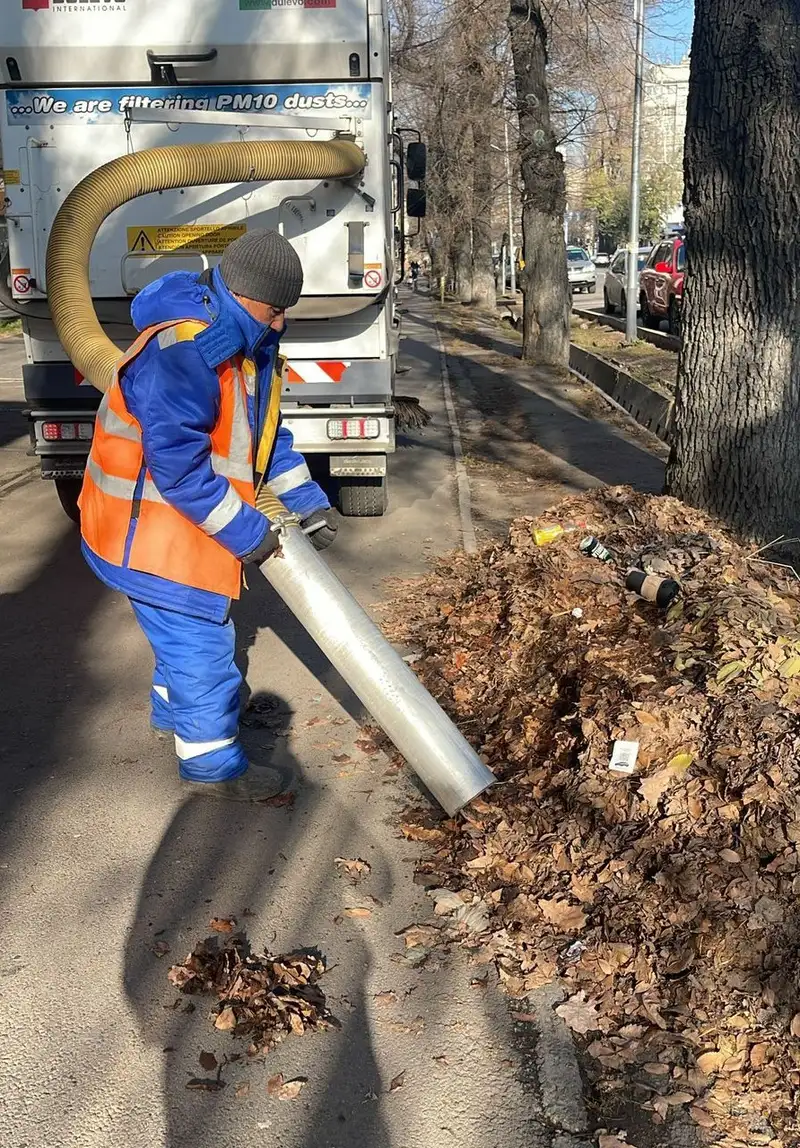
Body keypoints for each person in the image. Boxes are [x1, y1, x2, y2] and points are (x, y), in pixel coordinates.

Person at [79, 229, 337, 802]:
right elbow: (180, 472)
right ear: (243, 295)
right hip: (148, 536)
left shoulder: (236, 340)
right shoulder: (186, 352)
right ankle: (215, 771)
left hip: (163, 530)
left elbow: (262, 436)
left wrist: (307, 501)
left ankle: (173, 717)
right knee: (204, 651)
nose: (280, 324)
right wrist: (252, 535)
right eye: (274, 311)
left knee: (180, 640)